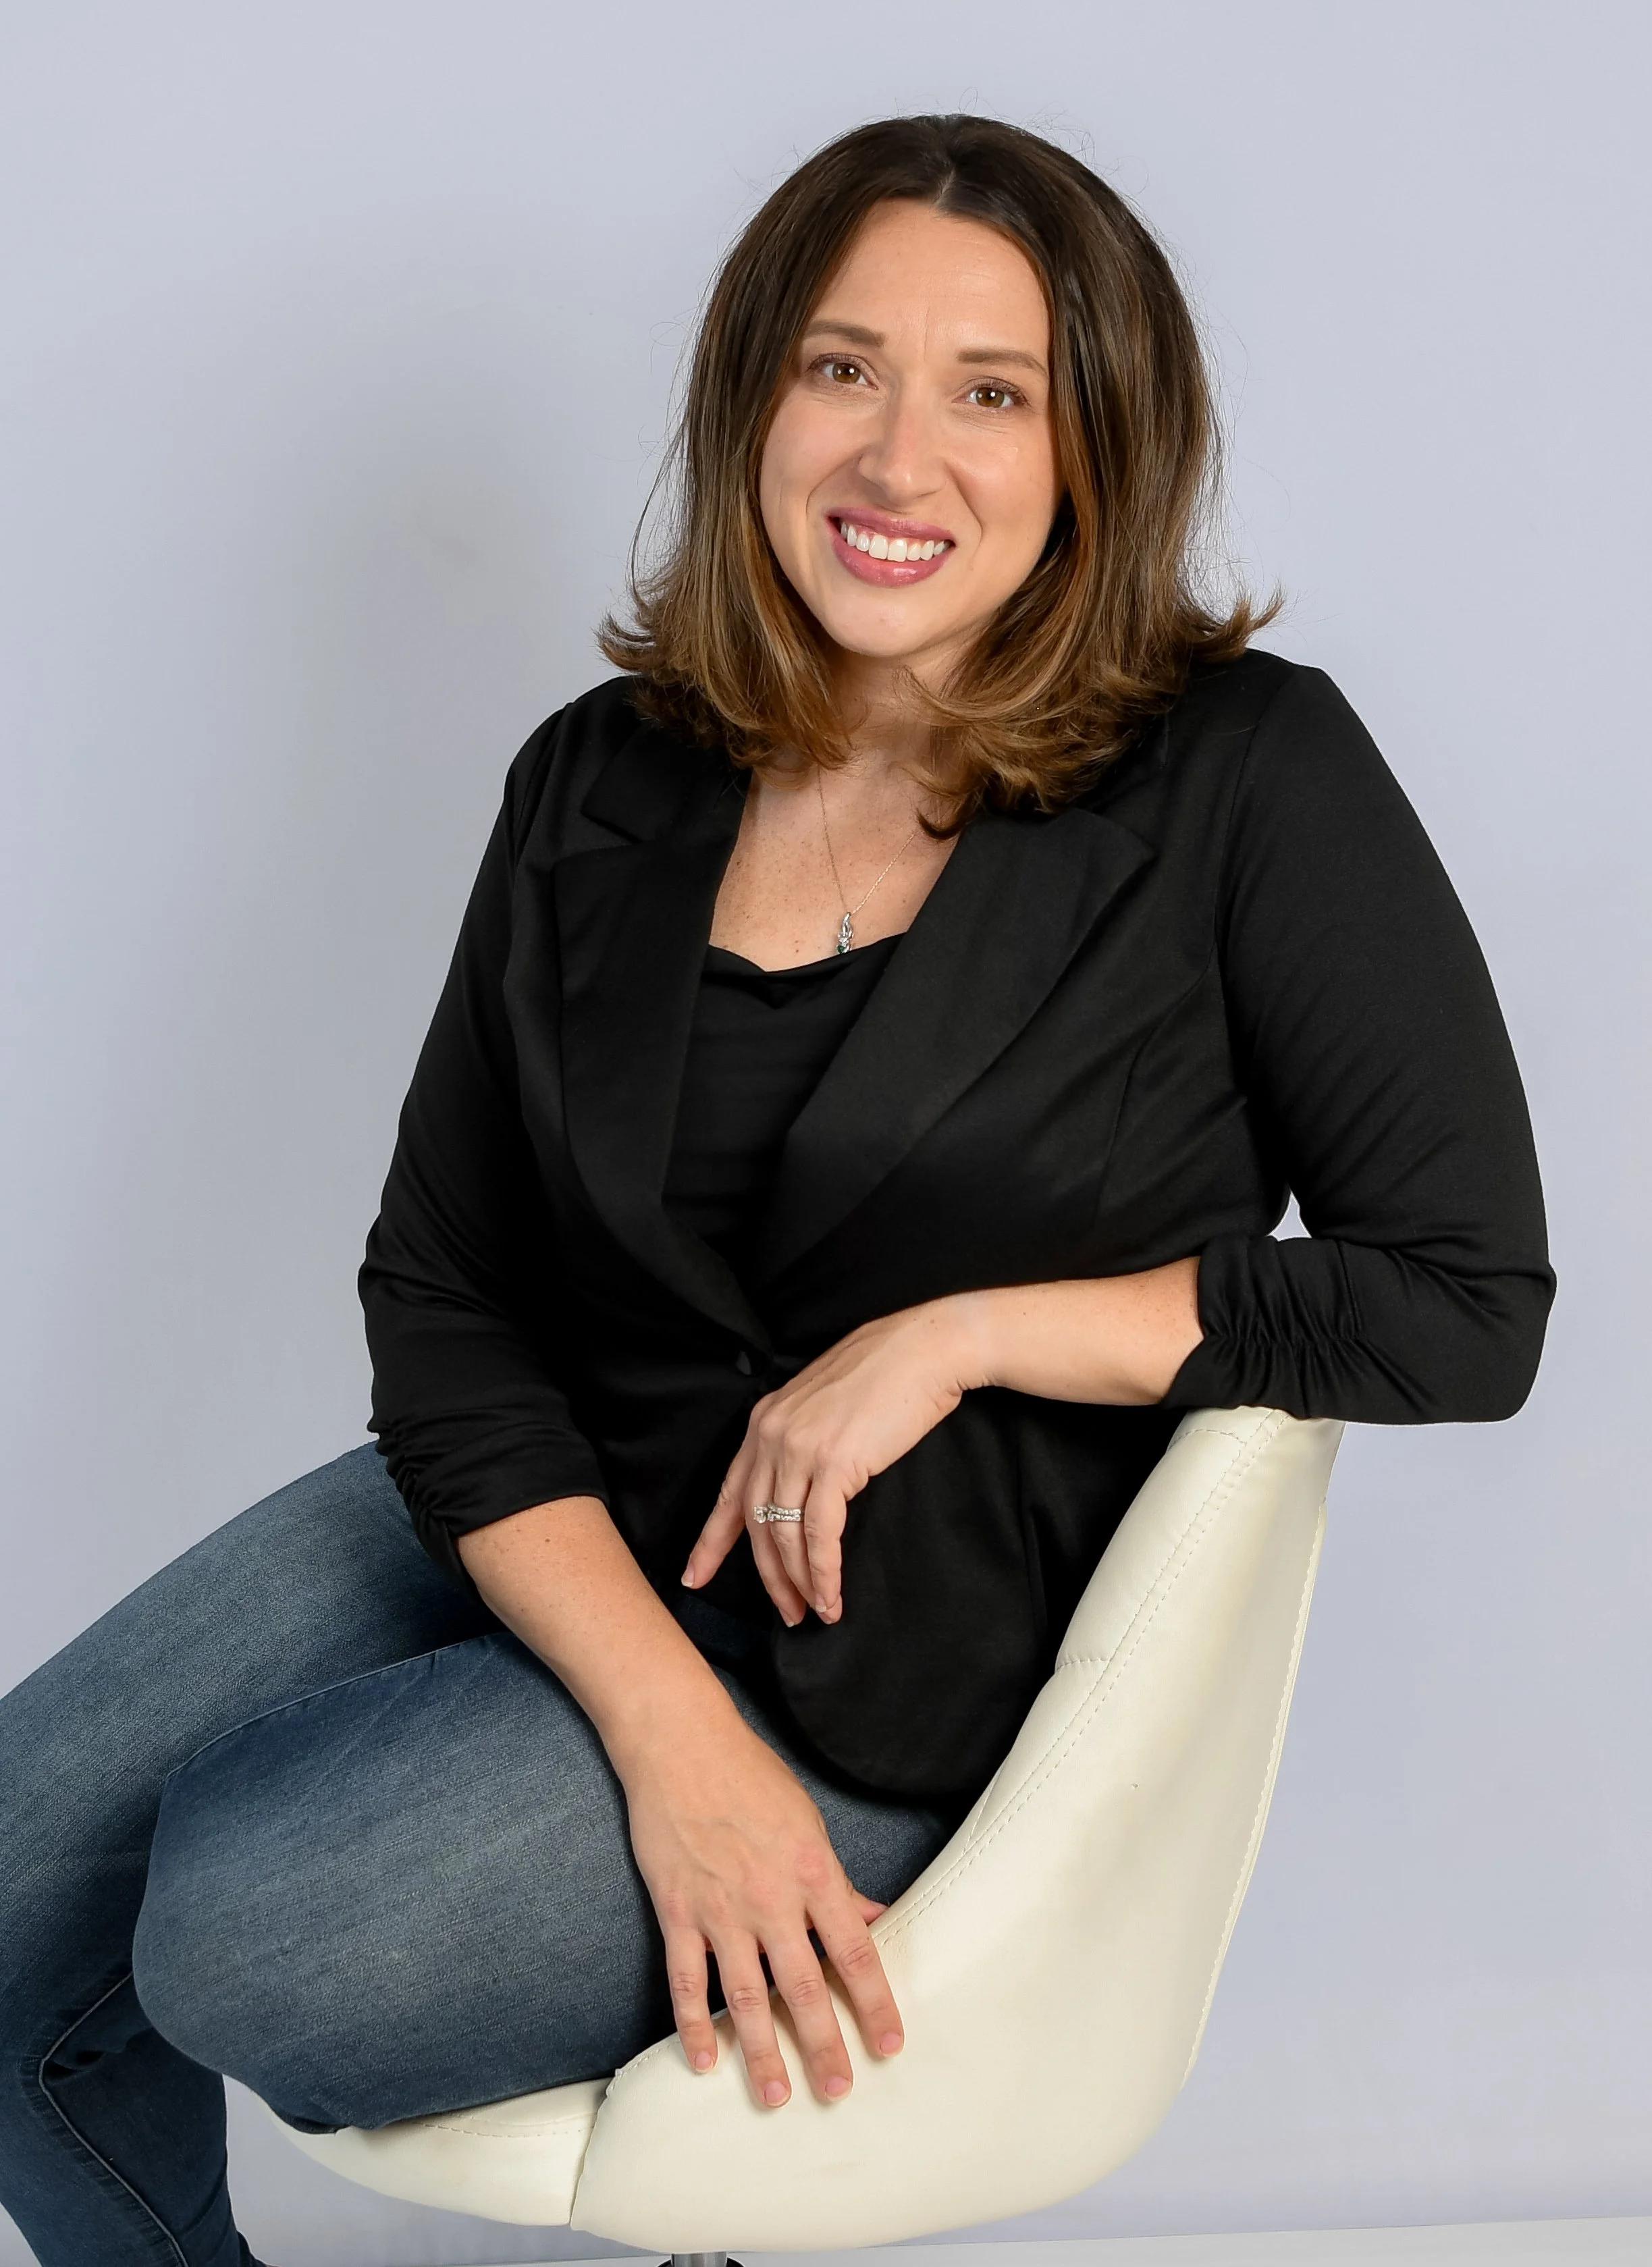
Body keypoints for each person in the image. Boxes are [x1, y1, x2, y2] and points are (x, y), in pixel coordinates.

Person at [0, 113, 1553, 2267]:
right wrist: (663, 1740)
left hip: (895, 1669)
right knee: (17, 1864)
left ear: (1096, 445)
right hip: (563, 1516)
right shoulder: (599, 776)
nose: (897, 456)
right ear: (752, 398)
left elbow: (1461, 1296)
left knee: (258, 1924)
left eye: (990, 391)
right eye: (841, 368)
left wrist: (966, 1333)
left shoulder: (1246, 775)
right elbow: (445, 1291)